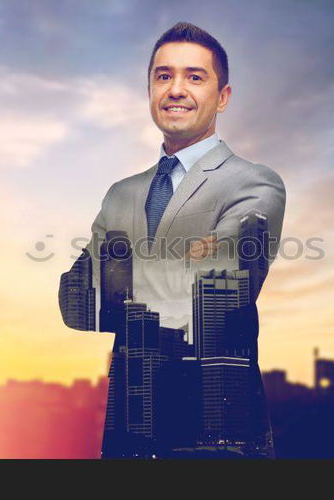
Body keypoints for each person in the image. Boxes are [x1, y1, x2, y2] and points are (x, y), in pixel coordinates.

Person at [58, 22, 285, 458]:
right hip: (129, 432)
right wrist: (185, 254)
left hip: (218, 436)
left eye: (194, 77)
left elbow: (218, 290)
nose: (176, 89)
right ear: (149, 90)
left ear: (222, 98)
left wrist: (123, 268)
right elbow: (78, 304)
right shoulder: (121, 194)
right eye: (163, 76)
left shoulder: (255, 184)